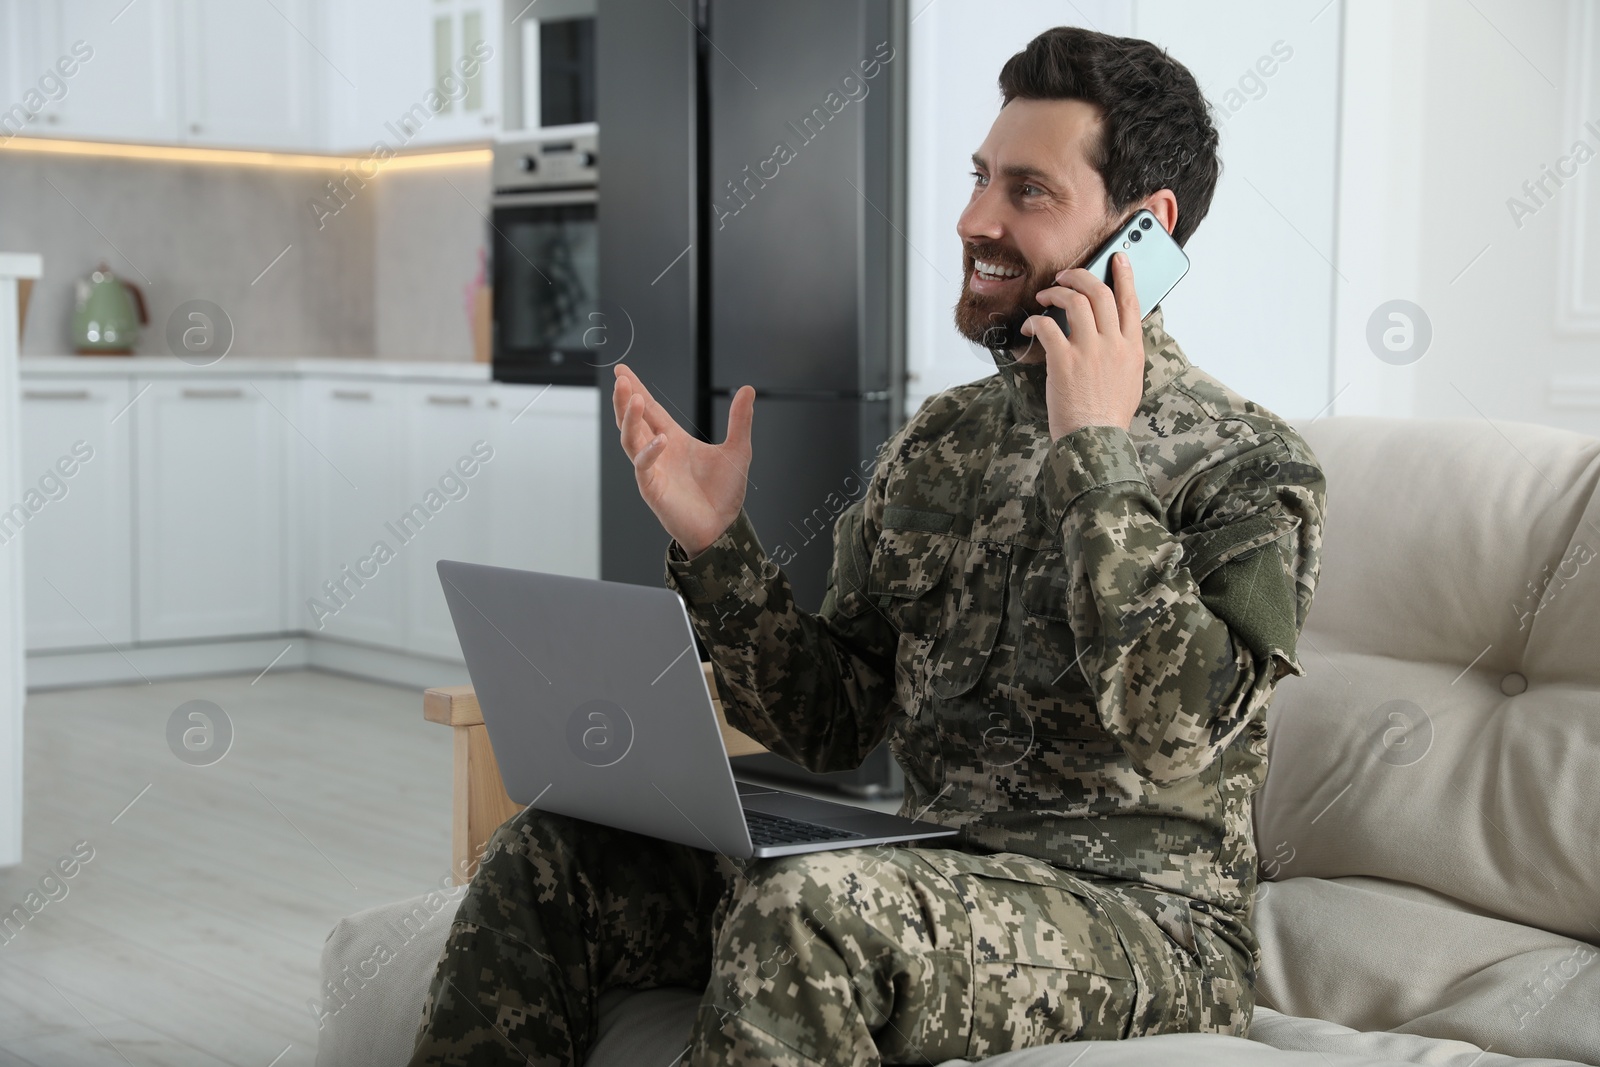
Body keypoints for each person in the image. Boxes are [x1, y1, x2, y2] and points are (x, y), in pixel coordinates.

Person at [409, 24, 1326, 1067]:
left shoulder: (1251, 465)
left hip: (1143, 923)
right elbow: (833, 719)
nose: (973, 218)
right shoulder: (941, 440)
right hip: (924, 870)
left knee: (813, 908)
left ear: (1143, 229)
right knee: (549, 849)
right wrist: (717, 549)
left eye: (1027, 191)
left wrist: (1096, 456)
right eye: (980, 177)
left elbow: (1175, 727)